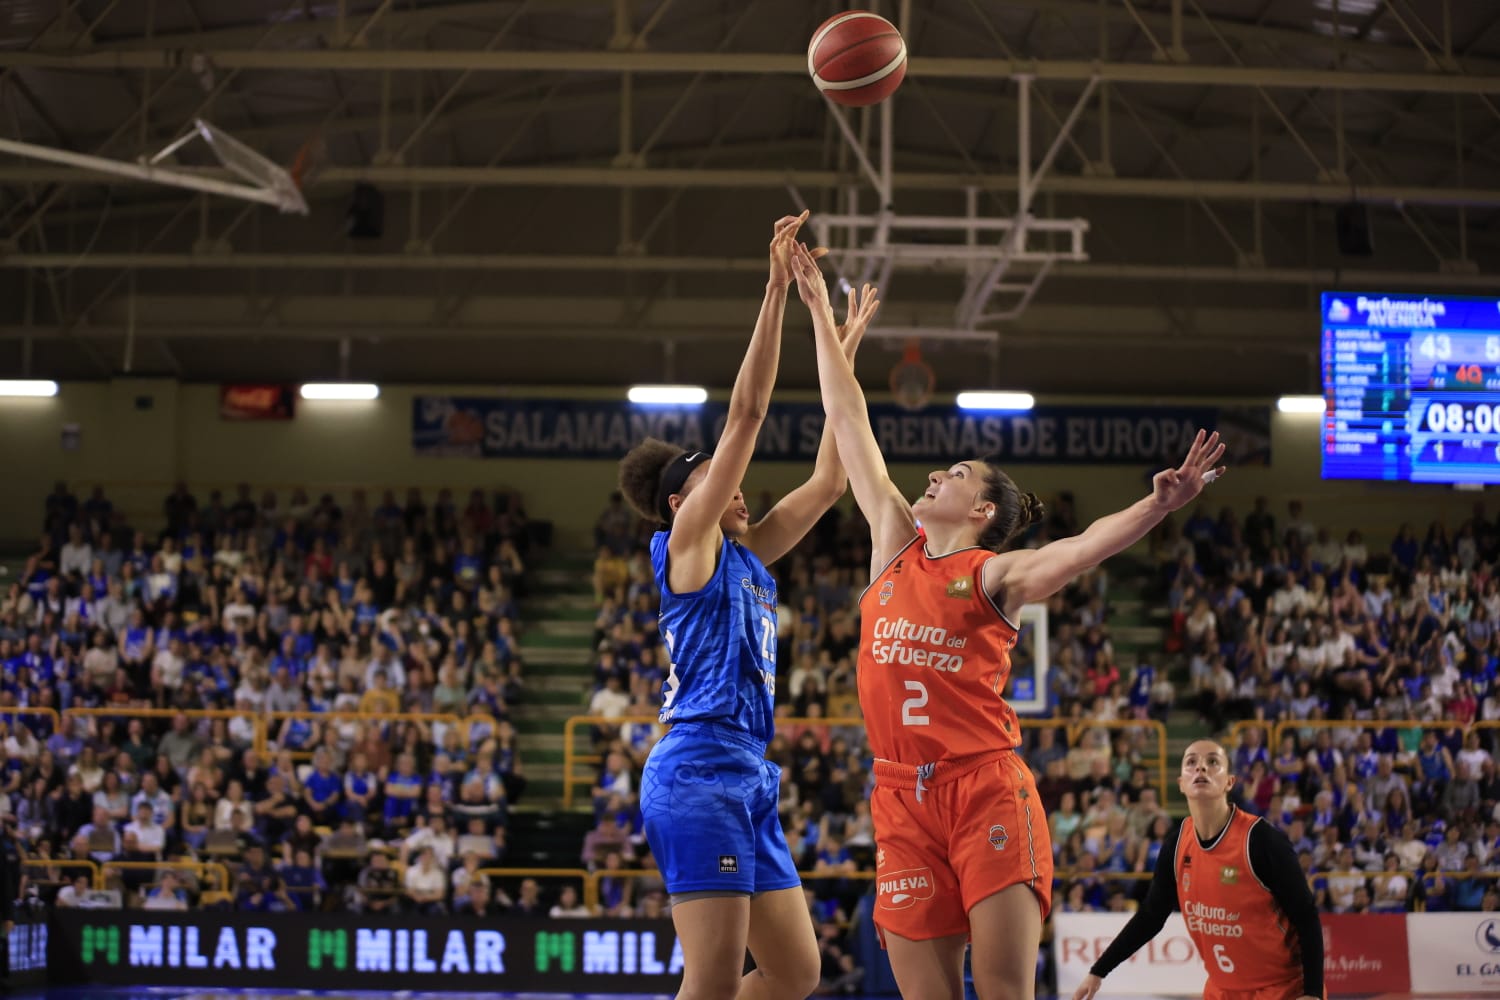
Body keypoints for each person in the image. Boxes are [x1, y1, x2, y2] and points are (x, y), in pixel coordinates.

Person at [787, 238, 1227, 1000]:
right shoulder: (892, 544)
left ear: (983, 510)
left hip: (984, 787)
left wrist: (1159, 503)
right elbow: (846, 414)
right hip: (898, 796)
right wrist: (820, 317)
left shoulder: (993, 574)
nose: (933, 474)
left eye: (954, 474)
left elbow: (1085, 548)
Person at [616, 211, 876, 1000]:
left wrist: (840, 343)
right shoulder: (686, 546)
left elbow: (831, 482)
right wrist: (774, 292)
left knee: (796, 973)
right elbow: (747, 416)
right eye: (714, 478)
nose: (737, 486)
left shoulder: (748, 554)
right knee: (715, 976)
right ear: (678, 502)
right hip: (696, 771)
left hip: (749, 776)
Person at [1071, 740, 1323, 1000]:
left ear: (1230, 782)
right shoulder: (1177, 843)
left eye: (1213, 762)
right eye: (1191, 762)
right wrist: (1098, 971)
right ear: (1181, 782)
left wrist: (1313, 993)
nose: (1201, 767)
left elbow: (1306, 915)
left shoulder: (1261, 840)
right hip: (1222, 990)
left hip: (1283, 988)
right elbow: (1150, 915)